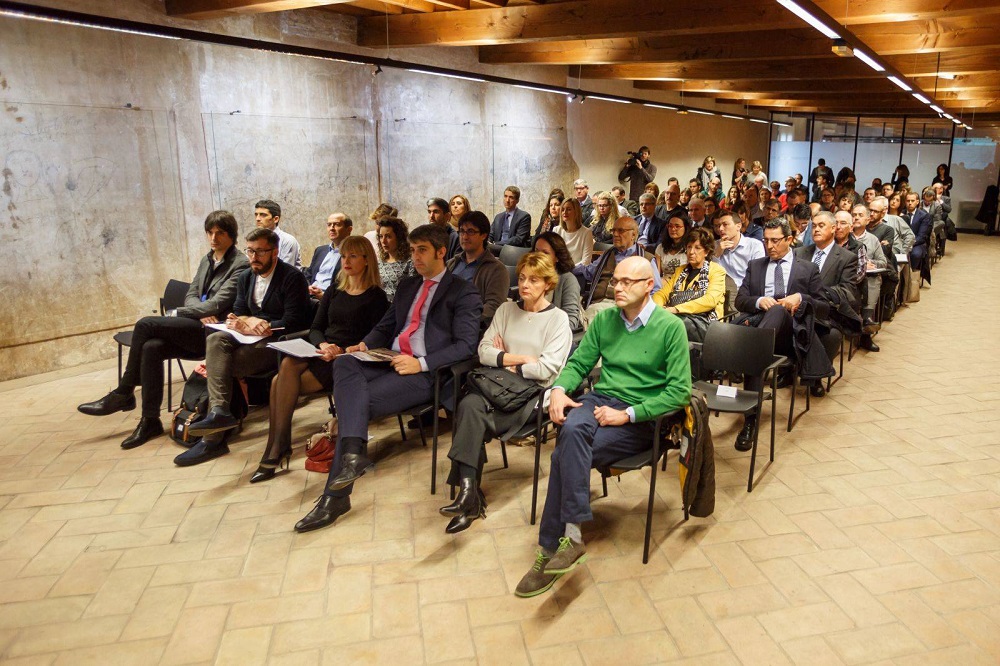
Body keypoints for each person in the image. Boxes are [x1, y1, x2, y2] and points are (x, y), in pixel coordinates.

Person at [514, 256, 691, 597]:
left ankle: (554, 546)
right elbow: (579, 362)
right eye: (617, 280)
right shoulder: (606, 319)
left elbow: (679, 391)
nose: (618, 287)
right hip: (601, 401)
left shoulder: (671, 328)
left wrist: (629, 414)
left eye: (628, 282)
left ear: (648, 286)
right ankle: (571, 538)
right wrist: (560, 390)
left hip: (641, 417)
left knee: (564, 453)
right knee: (571, 428)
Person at [293, 224, 482, 533]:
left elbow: (465, 346)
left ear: (441, 252)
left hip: (425, 374)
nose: (416, 256)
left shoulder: (462, 291)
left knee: (355, 404)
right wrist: (365, 345)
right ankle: (354, 456)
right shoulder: (408, 286)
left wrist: (420, 363)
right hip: (387, 360)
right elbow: (386, 324)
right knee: (344, 363)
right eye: (414, 250)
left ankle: (335, 497)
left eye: (422, 250)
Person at [77, 211, 249, 449]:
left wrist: (183, 312)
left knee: (145, 324)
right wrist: (198, 311)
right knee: (151, 347)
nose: (213, 238)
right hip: (197, 324)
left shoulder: (240, 263)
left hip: (214, 334)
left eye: (220, 233)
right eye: (210, 232)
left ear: (232, 235)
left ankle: (124, 391)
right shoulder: (206, 259)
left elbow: (218, 303)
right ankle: (149, 420)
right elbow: (191, 294)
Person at [441, 253, 573, 533]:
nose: (525, 284)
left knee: (470, 413)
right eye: (522, 277)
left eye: (534, 280)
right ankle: (468, 494)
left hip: (531, 398)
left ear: (548, 284)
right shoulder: (506, 310)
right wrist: (521, 359)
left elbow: (548, 369)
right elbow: (484, 351)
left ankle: (468, 497)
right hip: (497, 389)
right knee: (470, 406)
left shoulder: (558, 320)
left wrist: (504, 358)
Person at [251, 237, 388, 483]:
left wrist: (341, 351)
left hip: (347, 359)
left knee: (276, 382)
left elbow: (376, 337)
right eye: (344, 256)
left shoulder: (376, 296)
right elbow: (316, 328)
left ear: (367, 261)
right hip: (322, 351)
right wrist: (324, 345)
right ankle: (277, 447)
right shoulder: (336, 289)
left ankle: (276, 448)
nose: (346, 261)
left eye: (353, 256)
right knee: (287, 365)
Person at [180, 227, 313, 465]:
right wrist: (246, 322)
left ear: (274, 252)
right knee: (215, 339)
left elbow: (296, 321)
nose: (253, 257)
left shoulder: (292, 277)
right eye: (250, 251)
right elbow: (239, 312)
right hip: (250, 337)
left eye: (260, 252)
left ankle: (214, 440)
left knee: (221, 365)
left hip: (279, 341)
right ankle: (219, 412)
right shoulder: (246, 277)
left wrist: (265, 325)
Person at [733, 218, 830, 448]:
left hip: (792, 335)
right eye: (766, 240)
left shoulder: (807, 268)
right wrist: (758, 301)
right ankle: (751, 419)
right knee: (762, 336)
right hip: (761, 330)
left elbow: (824, 307)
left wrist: (800, 298)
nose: (769, 246)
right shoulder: (756, 265)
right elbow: (740, 301)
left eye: (775, 241)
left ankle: (745, 358)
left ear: (789, 239)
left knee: (777, 314)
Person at [576, 216, 661, 320]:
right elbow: (589, 271)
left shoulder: (646, 259)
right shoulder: (607, 255)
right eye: (614, 230)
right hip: (598, 302)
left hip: (626, 308)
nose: (615, 234)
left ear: (633, 235)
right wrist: (566, 267)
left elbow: (655, 290)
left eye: (621, 231)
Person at [652, 226, 725, 342]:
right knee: (655, 319)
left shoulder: (716, 271)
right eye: (689, 247)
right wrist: (658, 308)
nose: (691, 252)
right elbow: (662, 294)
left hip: (706, 323)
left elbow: (710, 300)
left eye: (697, 248)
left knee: (671, 324)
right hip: (677, 317)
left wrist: (676, 309)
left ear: (706, 251)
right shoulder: (680, 270)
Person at [448, 211, 509, 328]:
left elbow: (493, 306)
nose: (465, 237)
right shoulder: (452, 264)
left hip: (474, 327)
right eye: (462, 231)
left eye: (470, 231)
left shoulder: (496, 269)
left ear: (484, 235)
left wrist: (463, 319)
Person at [850, 205, 888, 352]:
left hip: (868, 278)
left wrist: (872, 263)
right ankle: (860, 323)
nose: (856, 217)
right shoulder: (844, 236)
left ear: (867, 219)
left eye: (860, 215)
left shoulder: (873, 239)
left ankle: (866, 331)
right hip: (850, 279)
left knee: (871, 283)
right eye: (854, 214)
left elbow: (883, 262)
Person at [533, 232, 584, 332]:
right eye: (536, 251)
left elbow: (571, 321)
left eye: (545, 253)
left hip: (556, 336)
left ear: (557, 257)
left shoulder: (568, 280)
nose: (538, 256)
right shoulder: (529, 277)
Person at [304, 212, 352, 300]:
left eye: (337, 225)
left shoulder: (353, 253)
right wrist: (308, 287)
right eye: (329, 225)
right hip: (309, 296)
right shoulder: (320, 250)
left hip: (331, 300)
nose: (332, 228)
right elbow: (308, 274)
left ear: (349, 229)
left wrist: (325, 296)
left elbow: (350, 285)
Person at [714, 211, 765, 288]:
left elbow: (757, 275)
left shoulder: (754, 245)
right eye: (718, 226)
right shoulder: (715, 245)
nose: (720, 229)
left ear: (738, 226)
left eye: (725, 224)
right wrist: (716, 255)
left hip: (745, 291)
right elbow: (708, 272)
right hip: (720, 291)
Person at [376, 216, 416, 302]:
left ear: (399, 237)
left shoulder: (409, 262)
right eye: (380, 236)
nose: (383, 241)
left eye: (388, 236)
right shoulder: (379, 262)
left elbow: (413, 292)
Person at [254, 199, 301, 270]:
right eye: (256, 214)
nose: (257, 219)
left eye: (263, 215)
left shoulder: (287, 240)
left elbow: (285, 271)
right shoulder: (254, 240)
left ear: (275, 219)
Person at [554, 198, 595, 267]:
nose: (565, 212)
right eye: (563, 209)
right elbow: (553, 255)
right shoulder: (556, 230)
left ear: (576, 212)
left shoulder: (586, 233)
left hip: (577, 273)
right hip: (558, 271)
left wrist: (568, 269)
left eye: (569, 209)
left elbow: (586, 261)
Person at [655, 213, 691, 279]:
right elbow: (657, 274)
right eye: (670, 226)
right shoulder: (660, 248)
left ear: (685, 228)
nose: (673, 229)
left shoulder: (690, 247)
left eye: (677, 226)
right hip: (664, 283)